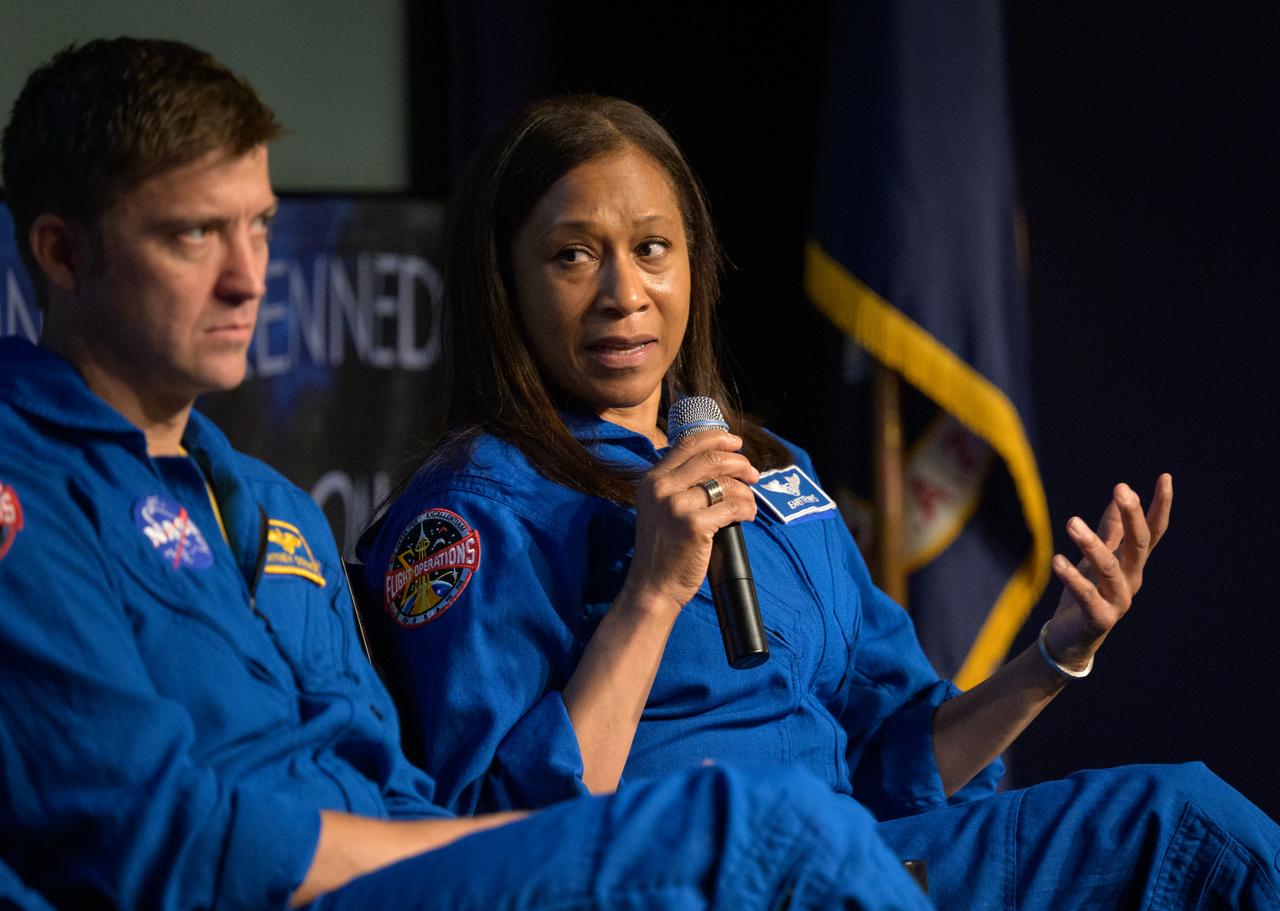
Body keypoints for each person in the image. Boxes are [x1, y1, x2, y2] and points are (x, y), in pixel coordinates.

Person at [0, 39, 949, 911]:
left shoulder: (266, 500)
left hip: (418, 871)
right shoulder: (27, 492)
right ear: (61, 252)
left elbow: (385, 771)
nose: (250, 277)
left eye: (258, 228)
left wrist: (1052, 661)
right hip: (338, 885)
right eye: (195, 236)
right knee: (764, 823)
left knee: (1097, 824)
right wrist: (481, 847)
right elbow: (148, 832)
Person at [355, 95, 1280, 908]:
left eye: (651, 249)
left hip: (864, 861)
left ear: (695, 267)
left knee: (1187, 823)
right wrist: (650, 591)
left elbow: (895, 755)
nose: (624, 293)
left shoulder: (771, 470)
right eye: (571, 257)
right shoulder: (469, 516)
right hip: (698, 875)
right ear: (503, 286)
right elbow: (495, 842)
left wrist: (1052, 656)